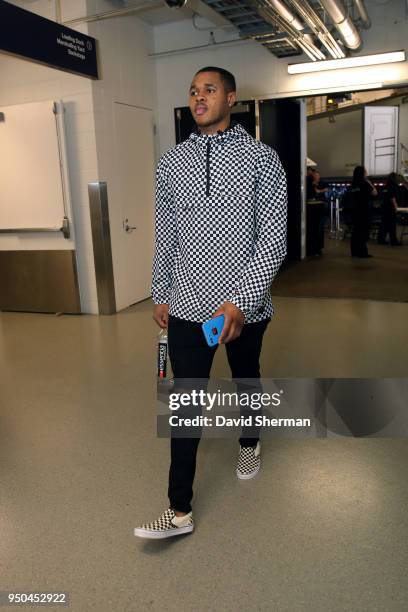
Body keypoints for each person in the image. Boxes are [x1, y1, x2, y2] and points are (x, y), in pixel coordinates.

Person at [134, 66, 287, 539]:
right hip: (187, 306)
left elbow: (273, 240)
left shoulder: (262, 160)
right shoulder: (171, 163)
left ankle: (249, 441)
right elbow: (168, 235)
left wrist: (241, 302)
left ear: (232, 97)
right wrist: (162, 290)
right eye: (193, 91)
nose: (199, 97)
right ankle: (179, 510)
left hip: (243, 309)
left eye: (210, 89)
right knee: (186, 400)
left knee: (246, 378)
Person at [350, 165, 377, 258]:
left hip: (355, 212)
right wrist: (370, 183)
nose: (366, 173)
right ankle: (362, 253)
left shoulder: (353, 184)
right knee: (363, 232)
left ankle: (354, 252)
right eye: (365, 171)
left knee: (355, 232)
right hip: (364, 212)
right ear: (362, 173)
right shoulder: (365, 183)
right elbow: (375, 193)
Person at [378, 172, 402, 246]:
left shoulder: (386, 186)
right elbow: (392, 197)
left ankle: (381, 239)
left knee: (383, 224)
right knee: (392, 225)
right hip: (390, 208)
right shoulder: (394, 186)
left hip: (384, 207)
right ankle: (393, 241)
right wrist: (396, 207)